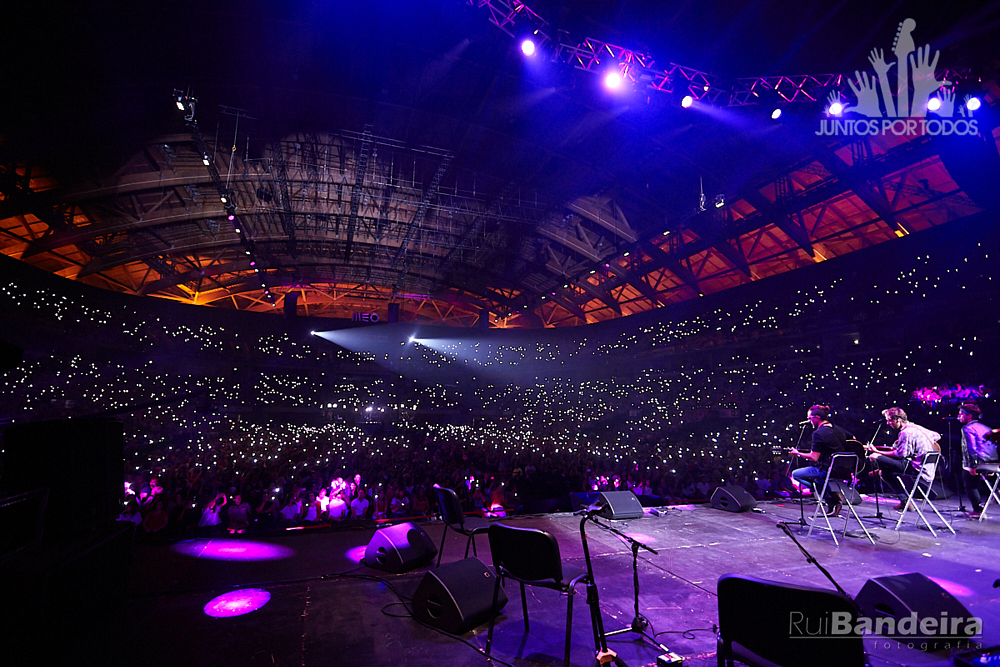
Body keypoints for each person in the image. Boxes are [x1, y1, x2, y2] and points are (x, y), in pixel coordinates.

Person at [866, 407, 941, 510]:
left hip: (917, 469)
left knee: (873, 457)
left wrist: (877, 451)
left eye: (889, 420)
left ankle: (904, 500)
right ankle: (905, 501)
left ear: (898, 419)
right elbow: (936, 436)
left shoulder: (906, 433)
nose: (888, 423)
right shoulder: (916, 427)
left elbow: (900, 455)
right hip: (927, 468)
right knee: (885, 473)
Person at [789, 404, 852, 516]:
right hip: (845, 468)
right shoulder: (838, 429)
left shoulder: (818, 433)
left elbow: (814, 458)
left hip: (828, 469)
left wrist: (798, 453)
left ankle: (830, 496)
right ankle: (831, 497)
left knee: (795, 474)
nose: (809, 421)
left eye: (809, 418)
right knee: (818, 480)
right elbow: (853, 440)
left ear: (817, 417)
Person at [958, 404, 997, 517]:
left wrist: (972, 466)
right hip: (991, 461)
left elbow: (970, 448)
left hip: (978, 462)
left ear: (969, 416)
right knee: (987, 483)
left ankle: (977, 511)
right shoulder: (985, 427)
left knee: (970, 485)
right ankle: (996, 492)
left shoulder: (967, 428)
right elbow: (993, 446)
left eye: (961, 414)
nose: (959, 416)